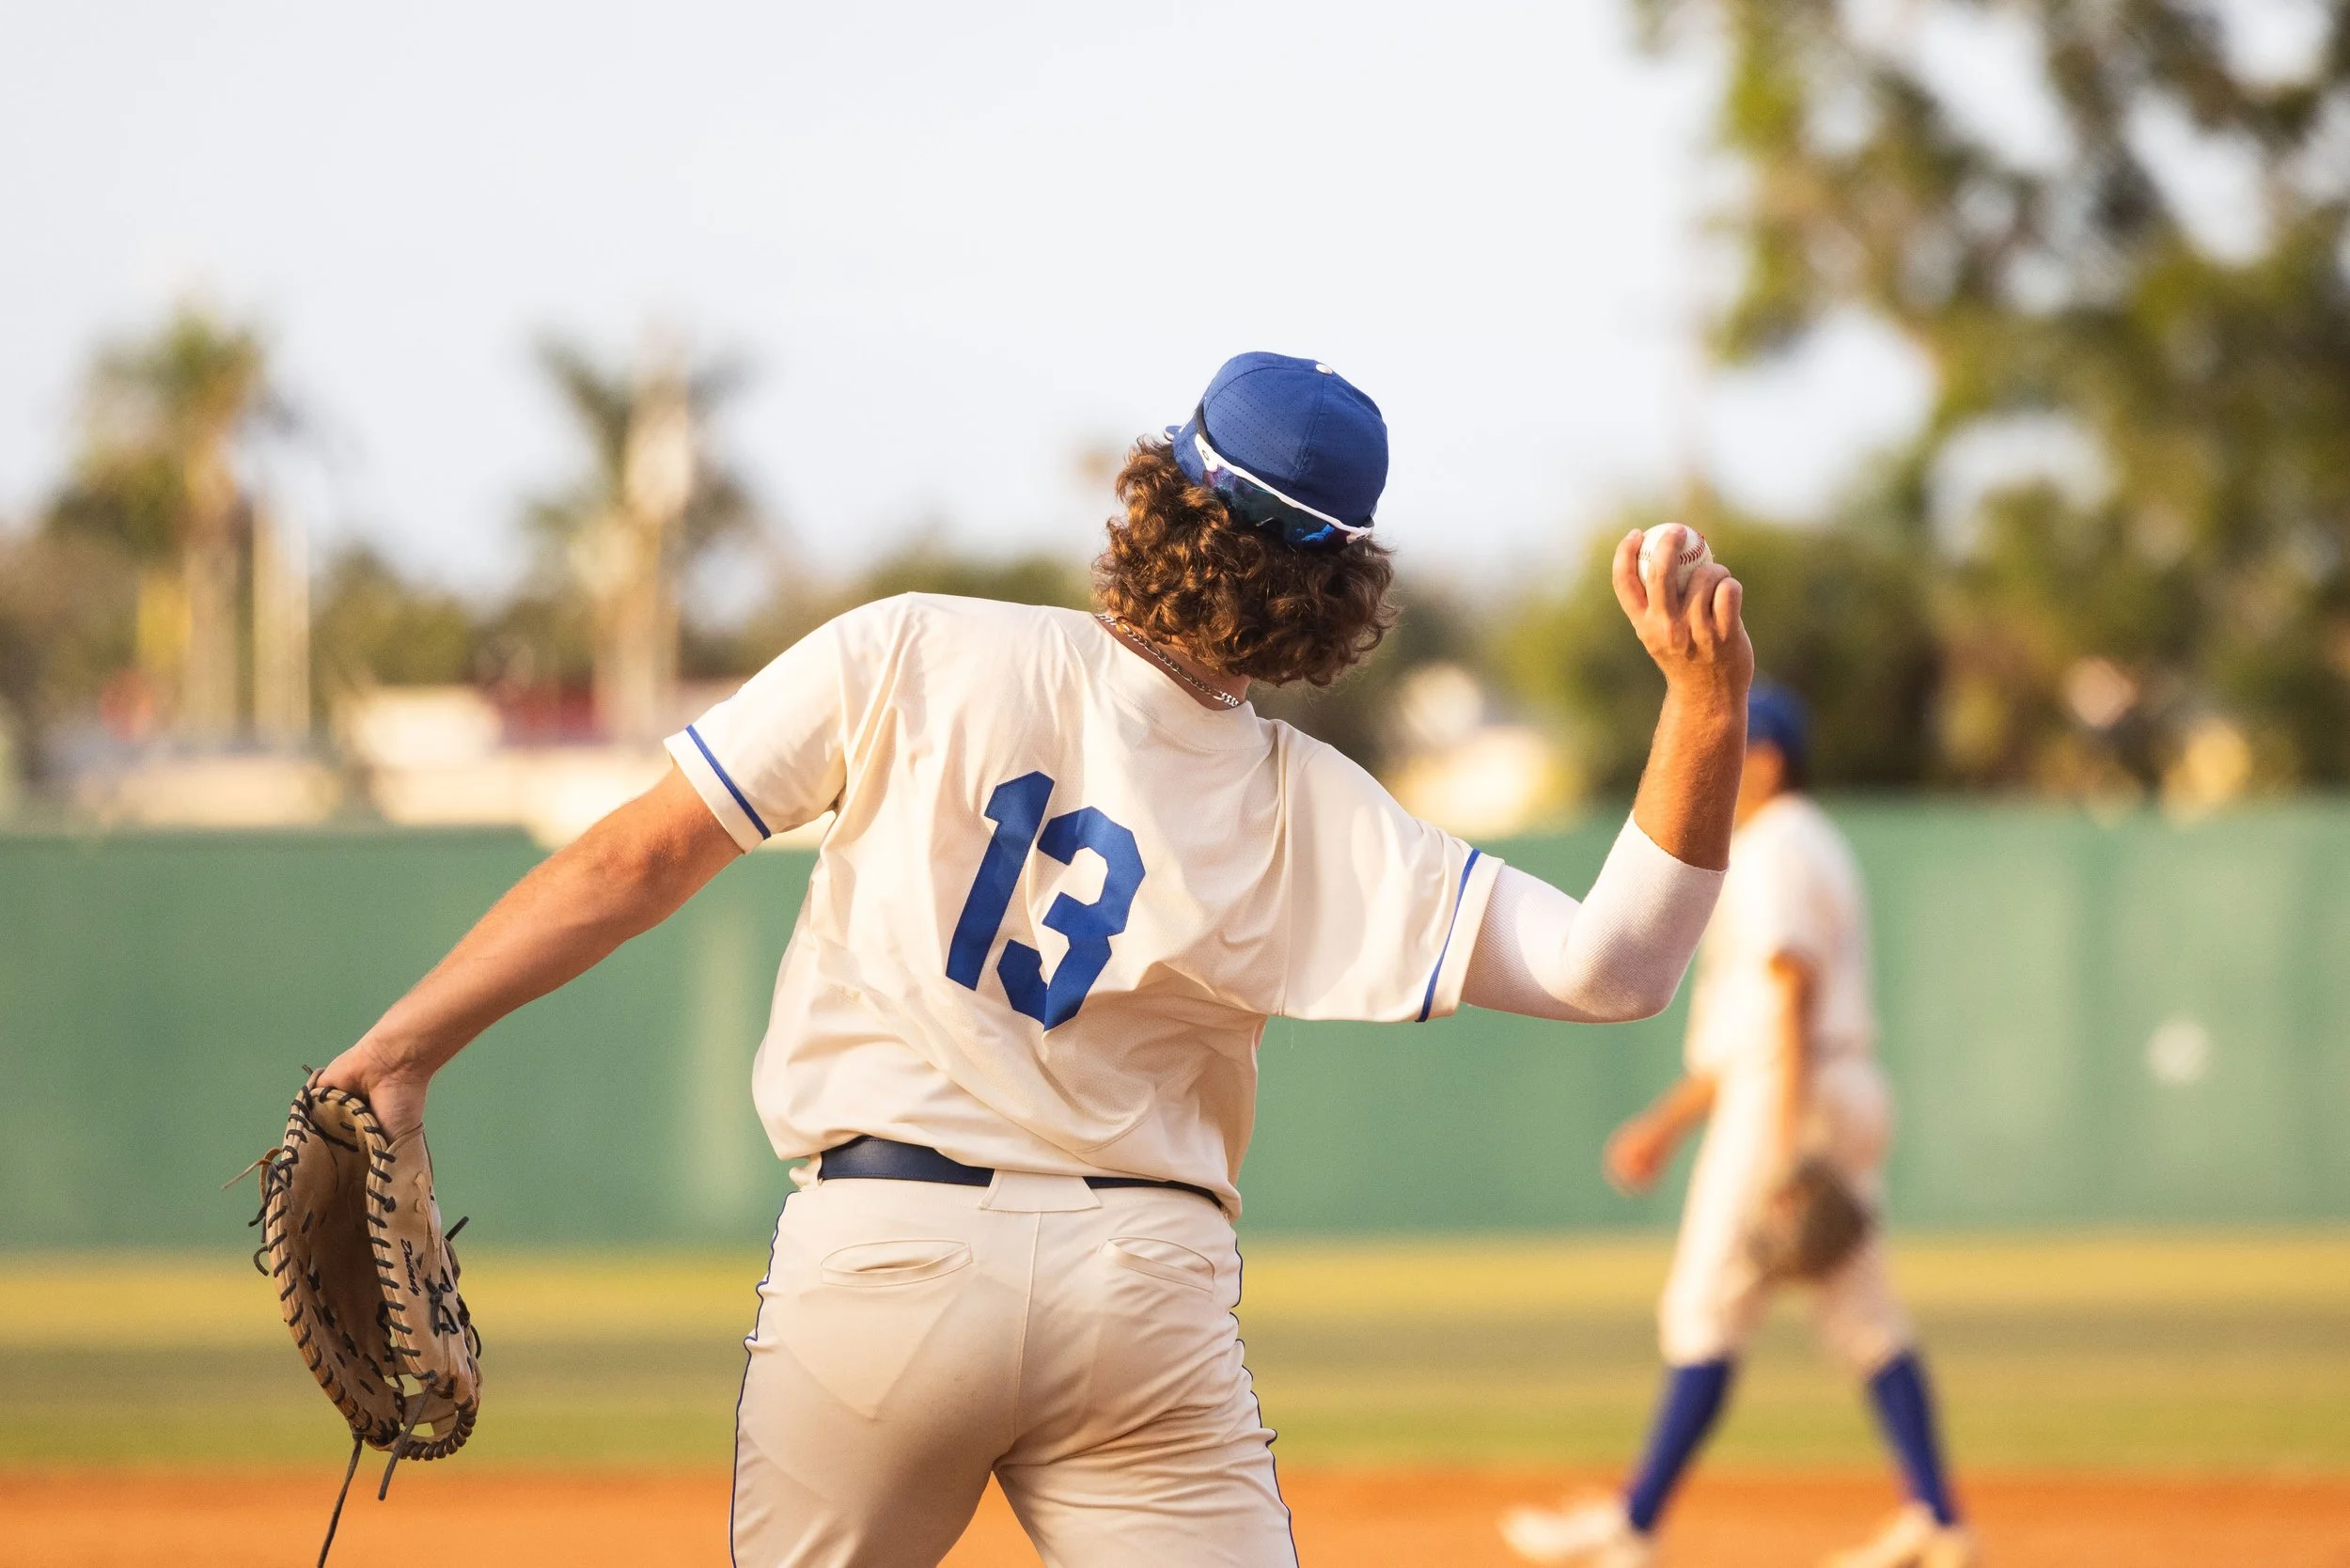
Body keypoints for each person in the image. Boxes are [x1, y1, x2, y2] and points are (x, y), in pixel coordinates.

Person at [321, 351, 1752, 1567]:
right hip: (1144, 1290)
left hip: (881, 1258)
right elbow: (1614, 968)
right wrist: (1704, 701)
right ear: (1341, 592)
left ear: (1157, 497)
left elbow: (631, 862)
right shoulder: (1310, 808)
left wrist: (399, 1049)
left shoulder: (912, 651)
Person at [1499, 682, 1974, 1568]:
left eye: (1731, 750)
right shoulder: (1800, 843)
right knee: (1862, 1314)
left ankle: (1633, 1526)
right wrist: (1667, 1124)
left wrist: (1785, 1143)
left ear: (1767, 759)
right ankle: (1939, 1521)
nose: (1717, 765)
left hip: (1792, 1095)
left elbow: (1791, 993)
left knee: (1705, 1306)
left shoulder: (1777, 847)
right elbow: (1754, 1026)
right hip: (1827, 1082)